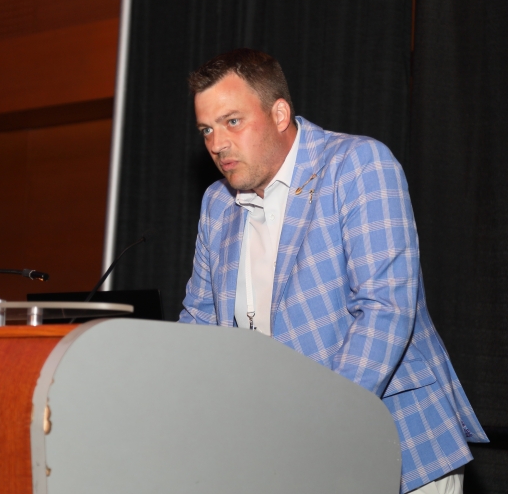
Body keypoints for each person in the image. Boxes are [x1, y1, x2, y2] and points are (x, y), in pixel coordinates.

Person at [178, 48, 487, 494]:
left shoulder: (356, 164)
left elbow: (385, 310)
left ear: (279, 114)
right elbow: (199, 324)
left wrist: (319, 425)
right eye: (206, 129)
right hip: (278, 456)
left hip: (395, 444)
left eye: (232, 121)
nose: (217, 143)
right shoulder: (217, 204)